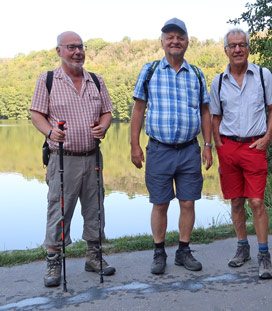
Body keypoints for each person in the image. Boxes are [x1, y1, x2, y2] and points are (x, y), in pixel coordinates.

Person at [31, 31, 116, 287]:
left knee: (95, 208)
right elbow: (36, 114)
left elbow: (107, 112)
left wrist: (103, 126)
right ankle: (54, 261)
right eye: (71, 47)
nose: (78, 52)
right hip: (62, 158)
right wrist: (50, 131)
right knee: (59, 210)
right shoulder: (47, 80)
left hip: (92, 157)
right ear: (59, 51)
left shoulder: (96, 81)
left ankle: (94, 256)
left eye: (81, 47)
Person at [130, 18, 212, 275]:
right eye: (170, 37)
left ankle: (184, 251)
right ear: (162, 41)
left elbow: (205, 111)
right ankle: (158, 252)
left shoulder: (197, 73)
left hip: (189, 149)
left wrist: (208, 145)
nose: (175, 41)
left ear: (187, 41)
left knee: (188, 203)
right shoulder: (150, 70)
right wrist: (134, 144)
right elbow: (139, 109)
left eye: (180, 36)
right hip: (159, 149)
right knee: (160, 203)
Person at [209, 28, 272, 279]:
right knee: (236, 201)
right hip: (228, 148)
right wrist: (218, 146)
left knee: (257, 201)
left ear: (249, 48)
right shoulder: (218, 81)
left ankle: (264, 254)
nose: (237, 49)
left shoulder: (263, 75)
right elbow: (214, 117)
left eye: (242, 44)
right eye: (232, 45)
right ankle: (242, 248)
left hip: (254, 147)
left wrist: (267, 139)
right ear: (226, 50)